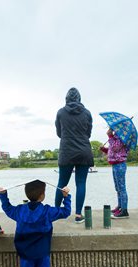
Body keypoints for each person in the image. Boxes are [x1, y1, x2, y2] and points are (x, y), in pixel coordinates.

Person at [55, 87, 94, 223]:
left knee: (62, 182)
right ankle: (78, 215)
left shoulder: (60, 113)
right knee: (81, 183)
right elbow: (88, 133)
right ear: (79, 98)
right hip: (83, 151)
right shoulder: (87, 113)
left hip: (67, 151)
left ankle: (56, 212)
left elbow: (59, 133)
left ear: (67, 99)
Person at [100, 128, 130, 218]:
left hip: (120, 164)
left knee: (121, 187)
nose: (110, 128)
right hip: (115, 164)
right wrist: (104, 149)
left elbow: (115, 148)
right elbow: (112, 150)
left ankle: (124, 210)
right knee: (118, 187)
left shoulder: (122, 137)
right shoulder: (116, 137)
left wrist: (110, 136)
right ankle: (120, 207)